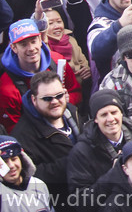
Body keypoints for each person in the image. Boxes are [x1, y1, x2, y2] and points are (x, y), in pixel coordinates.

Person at [11, 70, 82, 204]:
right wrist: (75, 160)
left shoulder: (72, 112)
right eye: (47, 98)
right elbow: (32, 177)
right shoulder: (22, 135)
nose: (55, 102)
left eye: (59, 95)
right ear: (34, 100)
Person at [0, 135, 54, 212]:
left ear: (22, 159)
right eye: (4, 162)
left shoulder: (38, 184)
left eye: (14, 159)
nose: (11, 166)